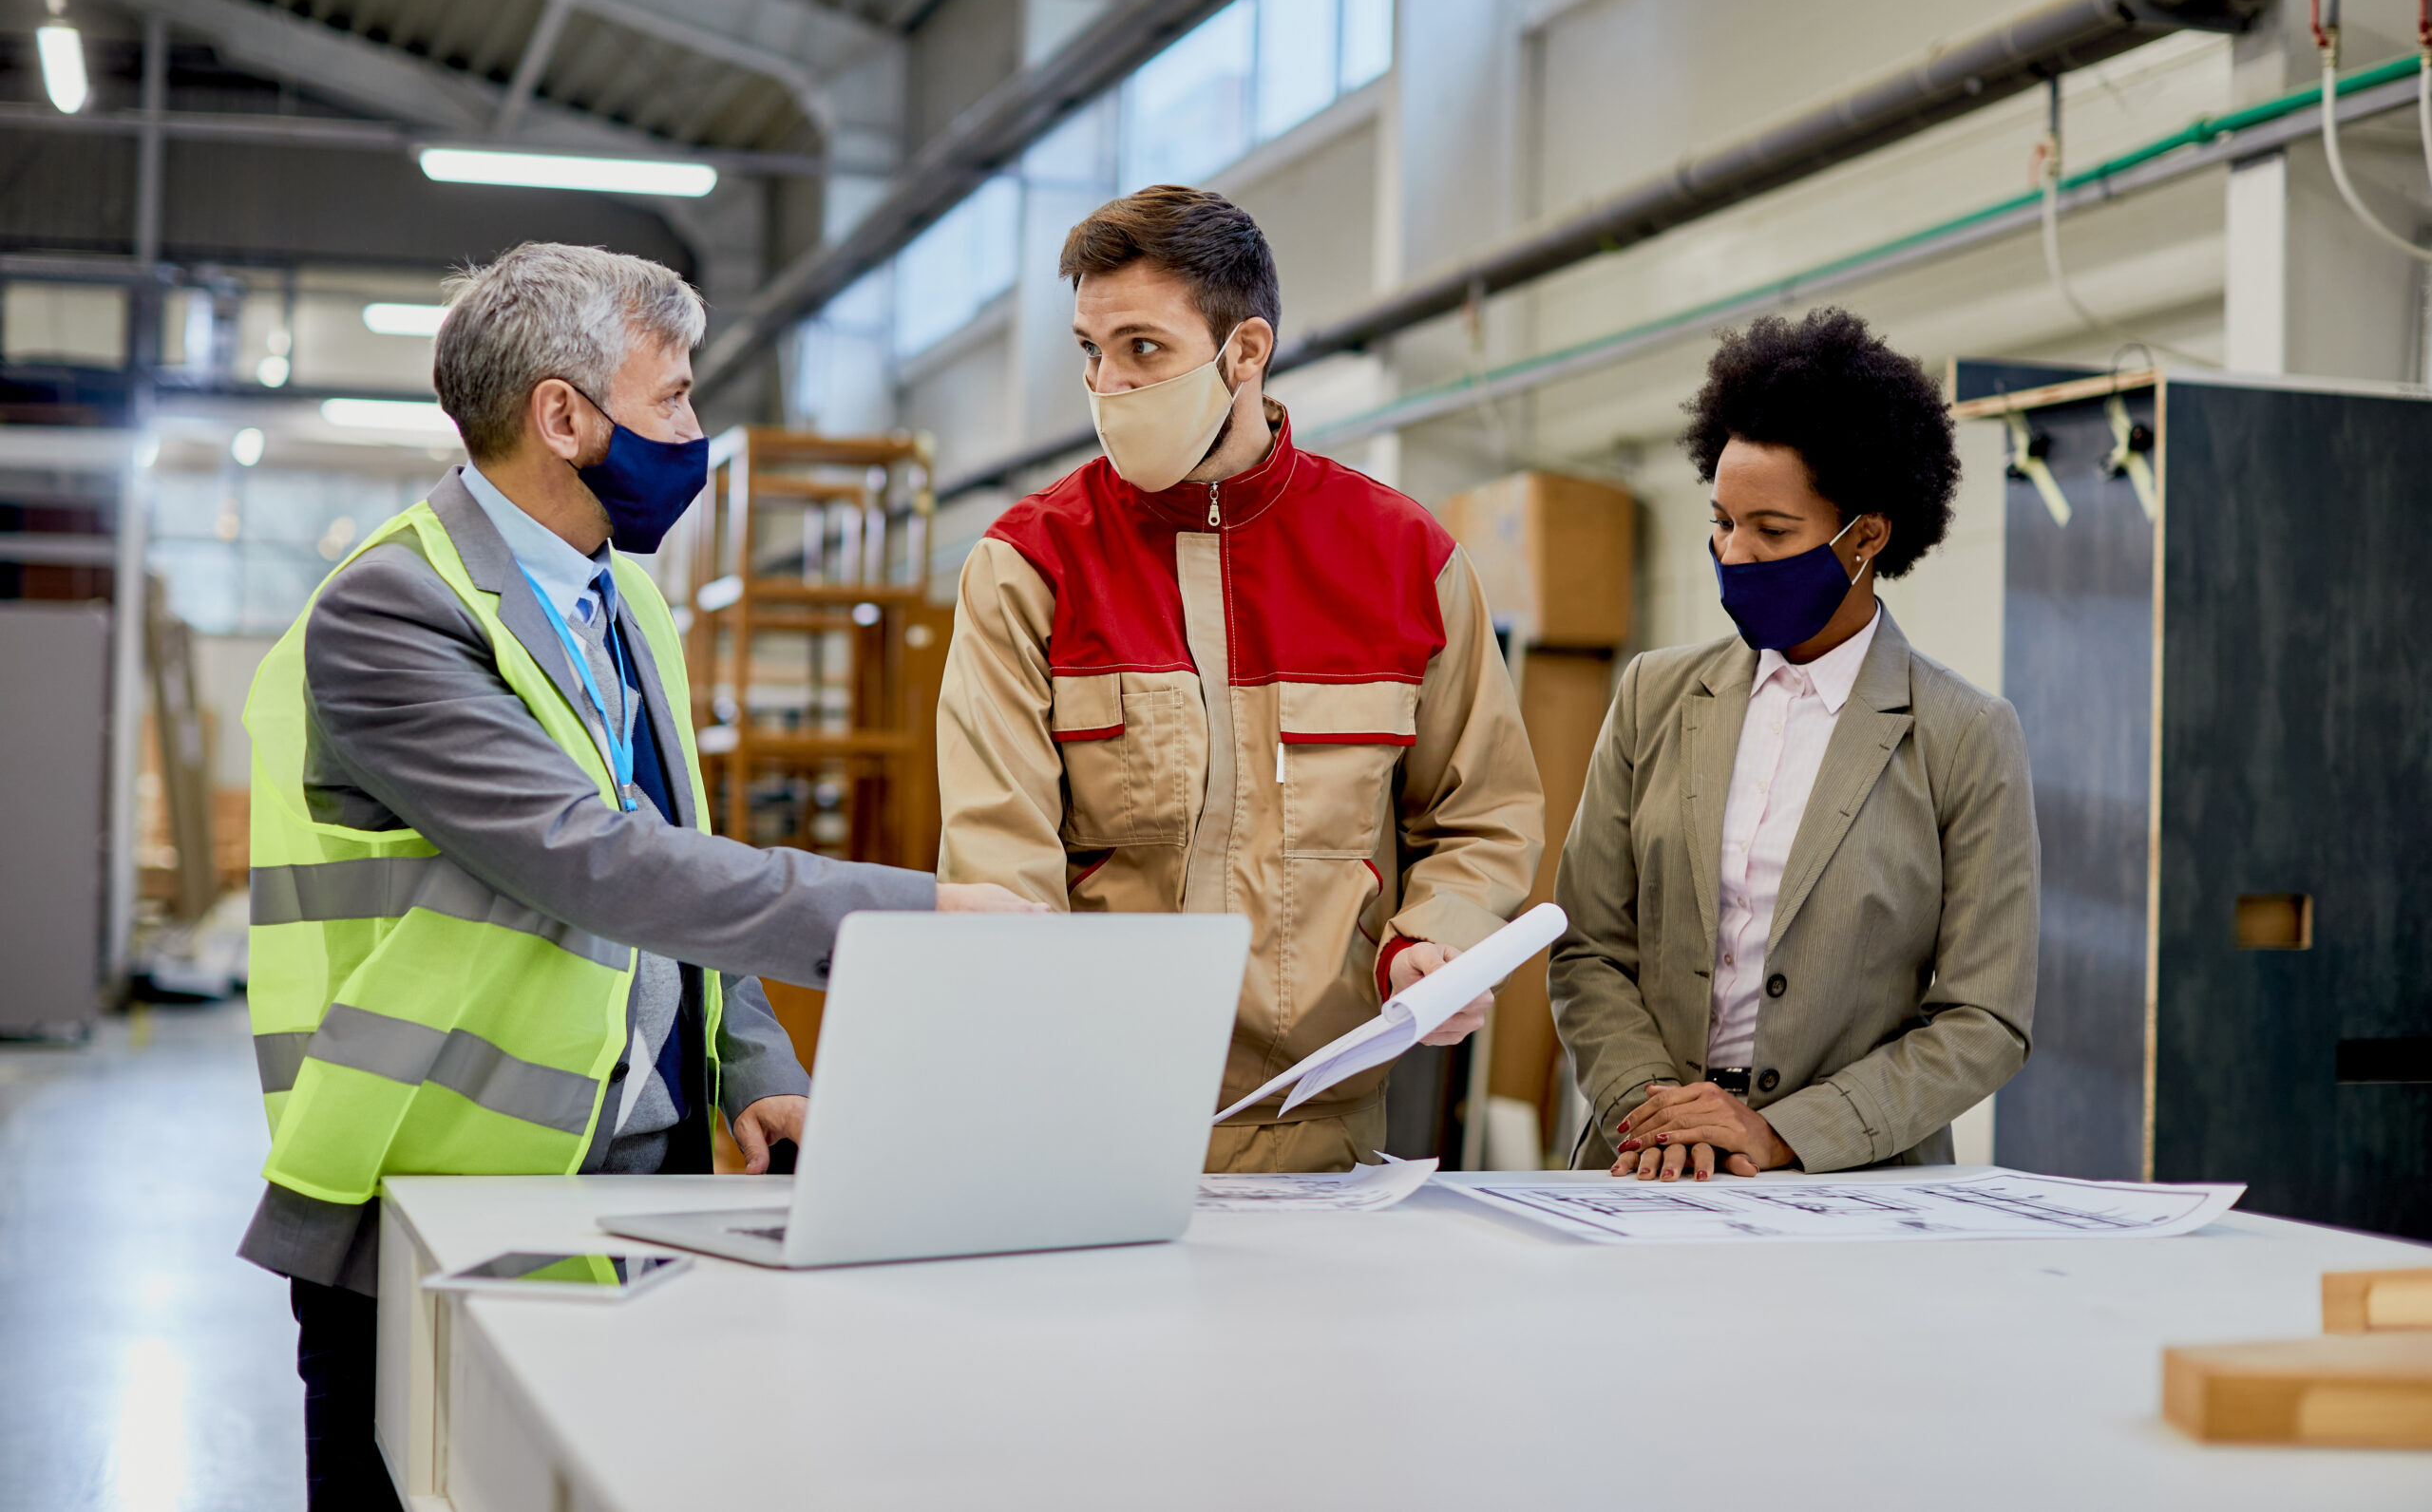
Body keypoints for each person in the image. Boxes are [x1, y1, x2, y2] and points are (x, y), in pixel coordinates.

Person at [238, 242, 1036, 1510]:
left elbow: (683, 842)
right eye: (671, 398)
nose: (694, 431)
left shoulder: (622, 598)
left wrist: (754, 1062)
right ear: (564, 414)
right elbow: (597, 861)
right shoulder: (392, 610)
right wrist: (911, 911)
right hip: (431, 1208)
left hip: (638, 1197)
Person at [937, 185, 1544, 1173]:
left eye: (1143, 349)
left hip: (1318, 1133)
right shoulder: (1028, 565)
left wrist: (1435, 936)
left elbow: (1482, 813)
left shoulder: (1403, 560)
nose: (1109, 385)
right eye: (1092, 351)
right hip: (1092, 1123)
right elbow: (1000, 868)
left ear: (1244, 352)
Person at [1548, 308, 2037, 1181]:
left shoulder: (1964, 736)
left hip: (1852, 1183)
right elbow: (1588, 947)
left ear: (1868, 537)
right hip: (1646, 1168)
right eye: (1722, 521)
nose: (1735, 554)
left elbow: (1983, 1016)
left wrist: (1786, 1133)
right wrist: (1658, 1112)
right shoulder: (1653, 698)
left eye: (1773, 532)